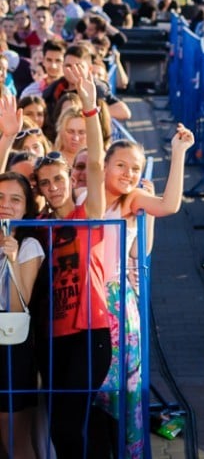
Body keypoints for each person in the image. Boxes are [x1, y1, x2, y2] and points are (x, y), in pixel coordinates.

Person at [95, 124, 193, 458]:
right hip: (87, 303)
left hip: (118, 305)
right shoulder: (85, 196)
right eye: (121, 165)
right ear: (105, 165)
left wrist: (178, 154)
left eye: (135, 168)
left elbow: (169, 205)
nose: (128, 173)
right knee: (92, 390)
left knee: (126, 388)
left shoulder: (133, 199)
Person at [35, 64, 111, 457]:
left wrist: (89, 110)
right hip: (52, 335)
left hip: (89, 332)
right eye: (45, 183)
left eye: (58, 179)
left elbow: (97, 165)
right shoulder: (37, 226)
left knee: (69, 427)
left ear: (69, 179)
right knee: (63, 429)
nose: (52, 187)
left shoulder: (88, 215)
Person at [0, 172, 43, 457]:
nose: (6, 204)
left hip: (12, 348)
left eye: (15, 199)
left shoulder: (29, 246)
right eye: (0, 198)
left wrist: (12, 260)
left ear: (26, 207)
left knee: (14, 436)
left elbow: (19, 305)